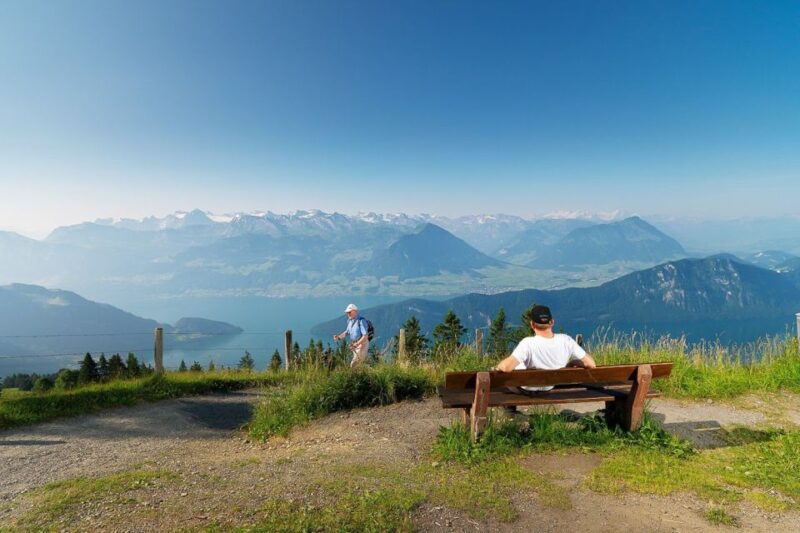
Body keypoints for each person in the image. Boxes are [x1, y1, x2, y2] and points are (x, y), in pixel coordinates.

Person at [495, 304, 595, 396]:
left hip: (526, 388)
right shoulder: (566, 340)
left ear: (532, 324)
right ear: (552, 322)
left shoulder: (528, 343)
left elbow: (506, 367)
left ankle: (510, 409)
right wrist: (573, 362)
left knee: (505, 374)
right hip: (549, 387)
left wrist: (497, 366)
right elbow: (591, 364)